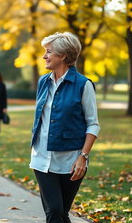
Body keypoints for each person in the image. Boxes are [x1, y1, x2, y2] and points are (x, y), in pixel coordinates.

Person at [29, 32, 100, 223]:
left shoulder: (83, 85)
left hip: (71, 162)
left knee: (61, 214)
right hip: (42, 158)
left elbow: (93, 124)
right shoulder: (43, 82)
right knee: (53, 211)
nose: (44, 56)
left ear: (62, 56)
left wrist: (83, 157)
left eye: (49, 52)